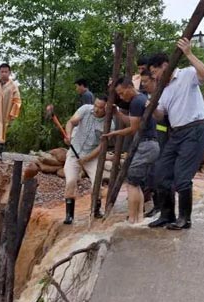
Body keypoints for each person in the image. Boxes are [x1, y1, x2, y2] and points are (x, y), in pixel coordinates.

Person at [147, 37, 204, 230]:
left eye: (155, 71)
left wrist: (189, 53)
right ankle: (167, 215)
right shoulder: (163, 91)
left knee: (182, 177)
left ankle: (185, 219)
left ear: (165, 65)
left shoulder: (187, 74)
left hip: (195, 129)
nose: (155, 76)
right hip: (176, 134)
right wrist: (149, 104)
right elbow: (160, 116)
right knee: (161, 172)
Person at [102, 77, 160, 223]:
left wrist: (114, 134)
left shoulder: (135, 102)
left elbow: (133, 129)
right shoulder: (142, 98)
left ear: (129, 87)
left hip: (145, 145)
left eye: (122, 93)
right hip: (151, 145)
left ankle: (133, 218)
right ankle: (139, 217)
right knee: (137, 183)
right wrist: (117, 113)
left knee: (132, 183)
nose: (121, 97)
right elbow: (133, 122)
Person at [59, 96, 111, 224]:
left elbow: (102, 146)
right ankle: (69, 215)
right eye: (96, 106)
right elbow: (71, 122)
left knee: (96, 183)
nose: (96, 109)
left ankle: (96, 210)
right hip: (74, 152)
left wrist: (87, 158)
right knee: (70, 181)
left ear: (106, 108)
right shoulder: (85, 109)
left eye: (100, 107)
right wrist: (69, 135)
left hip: (92, 156)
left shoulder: (109, 123)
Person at [140, 69, 170, 217]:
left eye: (146, 81)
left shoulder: (163, 93)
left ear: (154, 80)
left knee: (159, 172)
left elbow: (163, 118)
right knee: (151, 173)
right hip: (153, 137)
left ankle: (163, 207)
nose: (143, 84)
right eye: (142, 81)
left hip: (163, 136)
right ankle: (158, 205)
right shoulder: (147, 96)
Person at [0, 63, 22, 161]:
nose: (4, 74)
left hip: (5, 113)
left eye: (6, 72)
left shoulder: (13, 86)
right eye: (2, 72)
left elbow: (17, 101)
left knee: (2, 133)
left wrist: (13, 114)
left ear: (9, 73)